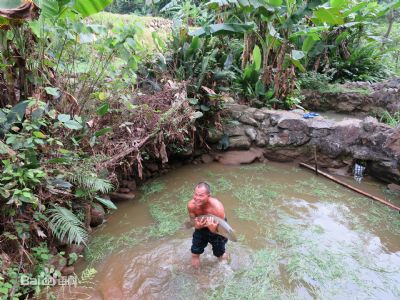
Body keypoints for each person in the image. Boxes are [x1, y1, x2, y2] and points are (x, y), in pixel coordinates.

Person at [187, 182, 228, 268]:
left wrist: (214, 229)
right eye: (196, 194)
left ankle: (225, 269)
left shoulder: (217, 208)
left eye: (201, 195)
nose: (197, 198)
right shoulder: (191, 205)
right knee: (195, 253)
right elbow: (193, 221)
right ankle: (197, 276)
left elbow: (223, 231)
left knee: (219, 254)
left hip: (217, 229)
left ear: (208, 196)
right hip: (201, 228)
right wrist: (197, 226)